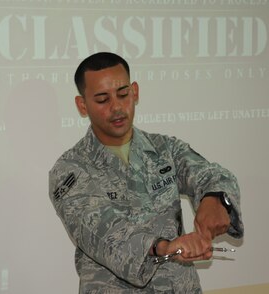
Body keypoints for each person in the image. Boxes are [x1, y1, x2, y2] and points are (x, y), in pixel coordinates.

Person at [48, 52, 244, 293]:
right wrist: (162, 247)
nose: (117, 107)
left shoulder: (165, 149)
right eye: (102, 100)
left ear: (135, 92)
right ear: (82, 105)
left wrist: (216, 199)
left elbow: (212, 174)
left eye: (123, 94)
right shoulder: (70, 170)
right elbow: (101, 231)